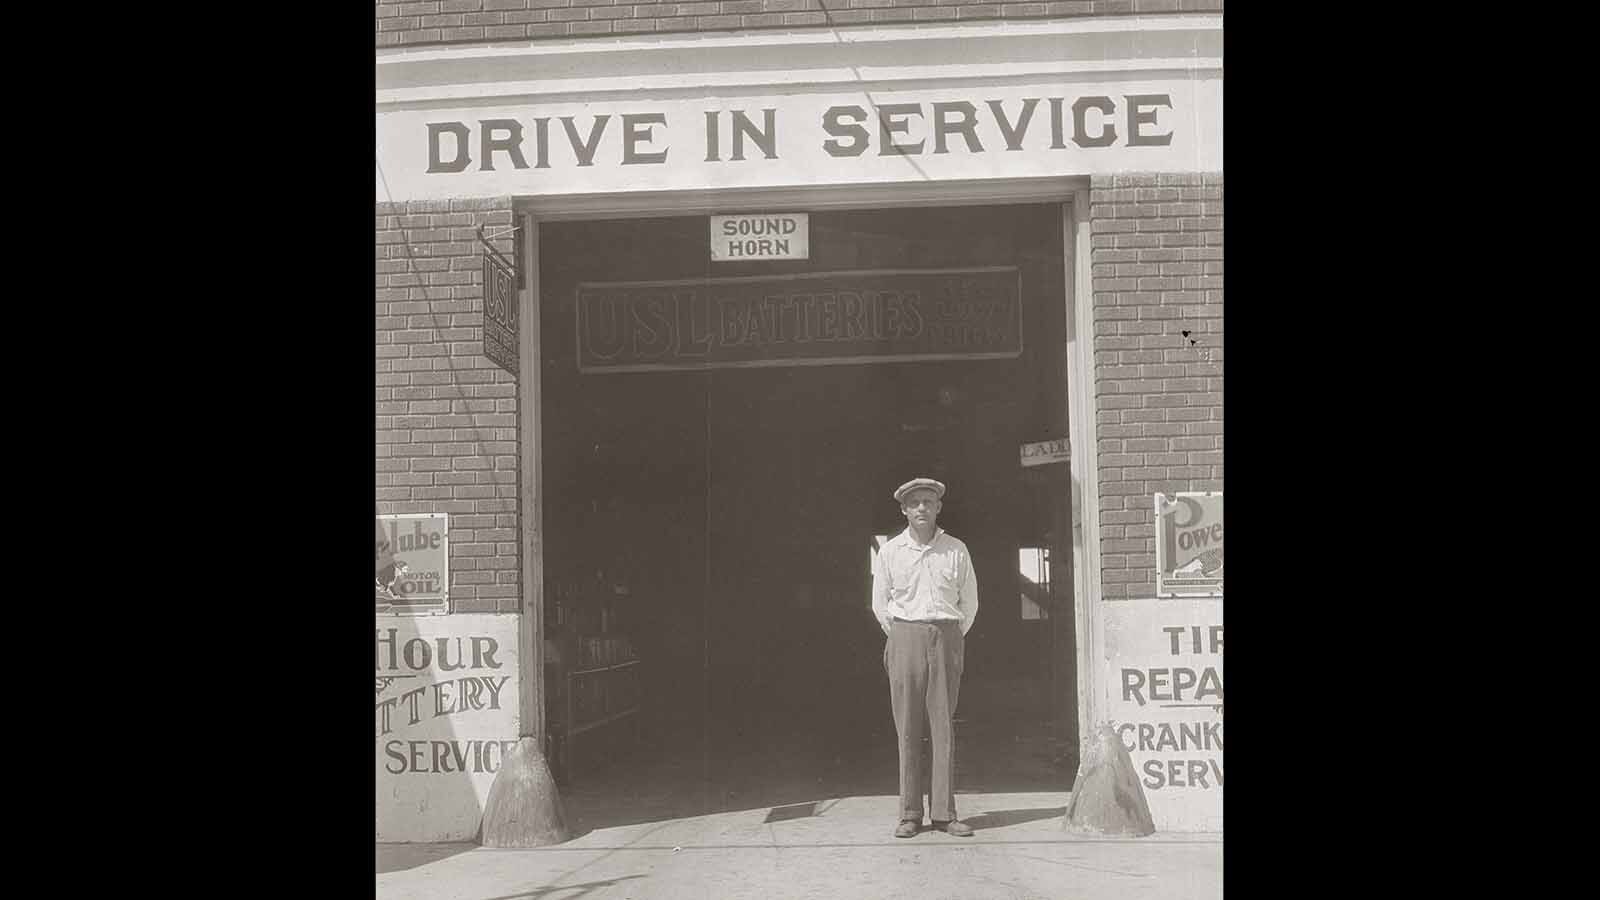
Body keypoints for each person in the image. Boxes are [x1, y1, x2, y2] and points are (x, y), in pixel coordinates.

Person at [871, 477, 979, 838]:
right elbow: (880, 603)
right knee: (908, 728)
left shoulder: (956, 549)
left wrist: (948, 637)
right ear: (903, 509)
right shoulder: (890, 552)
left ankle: (945, 814)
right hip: (904, 636)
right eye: (914, 502)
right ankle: (910, 814)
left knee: (942, 727)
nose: (921, 508)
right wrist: (904, 636)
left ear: (938, 508)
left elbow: (970, 602)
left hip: (946, 635)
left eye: (928, 502)